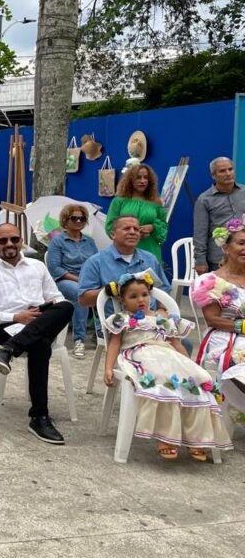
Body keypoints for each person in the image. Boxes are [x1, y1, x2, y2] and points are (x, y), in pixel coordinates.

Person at [104, 272, 230, 461]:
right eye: (133, 296)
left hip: (168, 354)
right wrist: (108, 368)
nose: (140, 300)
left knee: (194, 382)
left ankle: (195, 438)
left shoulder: (162, 319)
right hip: (140, 354)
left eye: (144, 295)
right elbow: (114, 343)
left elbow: (176, 344)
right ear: (122, 300)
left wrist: (189, 365)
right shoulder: (122, 319)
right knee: (163, 382)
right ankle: (166, 438)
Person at [0, 223, 74, 445]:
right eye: (3, 240)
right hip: (6, 326)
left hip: (39, 320)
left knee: (66, 306)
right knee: (40, 344)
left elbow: (56, 297)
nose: (10, 244)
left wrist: (43, 310)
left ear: (22, 241)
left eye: (14, 239)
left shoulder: (37, 266)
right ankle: (39, 416)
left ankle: (7, 351)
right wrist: (16, 317)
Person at [192, 216, 245, 422]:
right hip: (225, 337)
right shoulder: (211, 280)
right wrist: (242, 326)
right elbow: (212, 319)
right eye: (241, 243)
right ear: (226, 247)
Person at [79, 215, 171, 314]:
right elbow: (84, 300)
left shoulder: (150, 258)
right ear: (113, 235)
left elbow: (163, 289)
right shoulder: (96, 262)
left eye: (136, 229)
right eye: (126, 228)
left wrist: (161, 309)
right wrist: (107, 290)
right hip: (114, 321)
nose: (132, 232)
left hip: (150, 318)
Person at [46, 204, 98, 358]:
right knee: (80, 293)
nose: (78, 221)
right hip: (65, 280)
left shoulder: (89, 241)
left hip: (89, 280)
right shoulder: (57, 241)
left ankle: (103, 333)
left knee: (110, 290)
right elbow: (56, 269)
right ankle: (79, 340)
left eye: (82, 218)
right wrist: (80, 280)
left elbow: (97, 263)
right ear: (65, 220)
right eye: (74, 218)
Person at [105, 162, 167, 264]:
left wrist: (153, 227)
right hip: (125, 250)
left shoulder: (156, 202)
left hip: (150, 248)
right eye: (138, 177)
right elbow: (110, 226)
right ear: (130, 180)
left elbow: (163, 225)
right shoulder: (119, 201)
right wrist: (131, 233)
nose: (143, 181)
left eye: (146, 177)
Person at [194, 157, 245, 274]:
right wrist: (200, 260)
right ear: (213, 175)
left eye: (230, 169)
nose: (228, 173)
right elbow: (200, 233)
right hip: (219, 259)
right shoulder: (204, 200)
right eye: (222, 171)